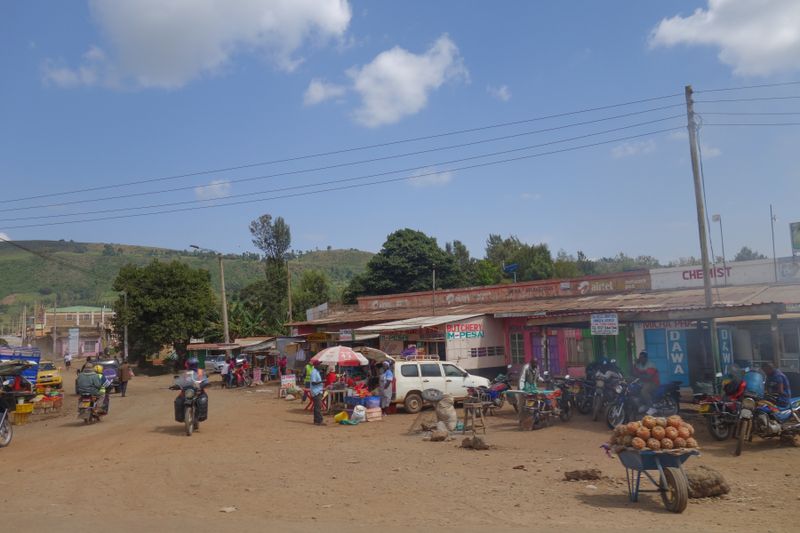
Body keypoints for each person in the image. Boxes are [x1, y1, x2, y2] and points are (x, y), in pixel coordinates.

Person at [310, 360, 325, 426]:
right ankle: (319, 421)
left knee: (317, 407)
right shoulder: (314, 372)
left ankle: (316, 421)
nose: (320, 365)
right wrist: (322, 381)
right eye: (319, 364)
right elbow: (313, 383)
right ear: (316, 365)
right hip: (316, 391)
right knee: (318, 407)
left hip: (318, 390)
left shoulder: (317, 372)